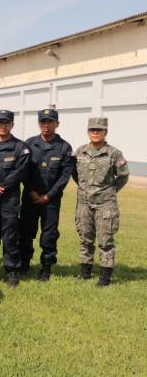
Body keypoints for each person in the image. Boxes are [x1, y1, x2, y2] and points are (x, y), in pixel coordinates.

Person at [72, 117, 129, 287]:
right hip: (83, 203)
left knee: (105, 240)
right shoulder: (80, 151)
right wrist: (85, 189)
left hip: (105, 205)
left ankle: (104, 278)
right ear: (88, 132)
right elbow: (75, 175)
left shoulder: (114, 153)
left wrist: (110, 191)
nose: (95, 133)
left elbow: (123, 175)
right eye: (92, 130)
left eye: (99, 130)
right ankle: (85, 273)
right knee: (85, 238)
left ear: (106, 132)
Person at [18, 109, 74, 281]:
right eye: (43, 122)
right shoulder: (29, 143)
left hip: (51, 201)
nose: (46, 125)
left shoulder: (64, 147)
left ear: (57, 124)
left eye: (50, 122)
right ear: (39, 124)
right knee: (26, 232)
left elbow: (65, 176)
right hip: (30, 198)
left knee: (49, 234)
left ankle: (46, 267)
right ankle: (24, 264)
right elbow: (23, 170)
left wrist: (48, 196)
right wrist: (31, 191)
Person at [0, 110, 30, 286]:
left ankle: (11, 271)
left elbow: (20, 172)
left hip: (9, 200)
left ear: (12, 125)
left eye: (6, 123)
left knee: (9, 236)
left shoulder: (20, 147)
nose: (3, 126)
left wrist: (0, 188)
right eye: (0, 122)